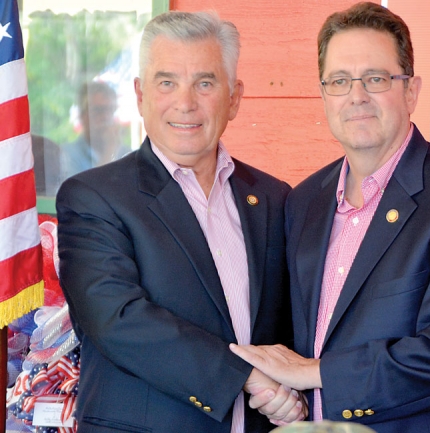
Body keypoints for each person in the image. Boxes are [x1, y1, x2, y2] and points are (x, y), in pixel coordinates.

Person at [230, 3, 430, 432]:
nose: (356, 96)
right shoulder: (304, 201)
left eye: (376, 79)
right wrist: (280, 392)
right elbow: (294, 338)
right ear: (325, 94)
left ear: (411, 91)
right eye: (340, 81)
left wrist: (314, 373)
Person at [57, 11, 305, 433]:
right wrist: (243, 374)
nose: (185, 102)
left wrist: (298, 388)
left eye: (205, 83)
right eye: (166, 82)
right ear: (140, 95)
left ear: (234, 97)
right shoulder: (94, 197)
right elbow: (118, 320)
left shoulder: (273, 197)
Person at [60, 80, 131, 179]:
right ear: (82, 116)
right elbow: (87, 193)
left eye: (110, 110)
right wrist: (110, 150)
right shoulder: (67, 155)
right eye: (98, 110)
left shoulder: (126, 154)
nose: (105, 117)